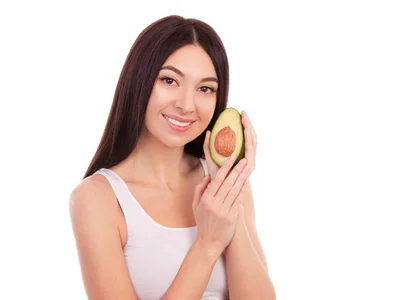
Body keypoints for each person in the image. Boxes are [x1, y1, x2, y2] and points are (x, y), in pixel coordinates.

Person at [69, 15, 276, 300]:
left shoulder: (224, 183)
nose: (186, 105)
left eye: (205, 88)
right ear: (139, 82)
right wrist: (207, 243)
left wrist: (230, 199)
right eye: (169, 80)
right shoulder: (97, 198)